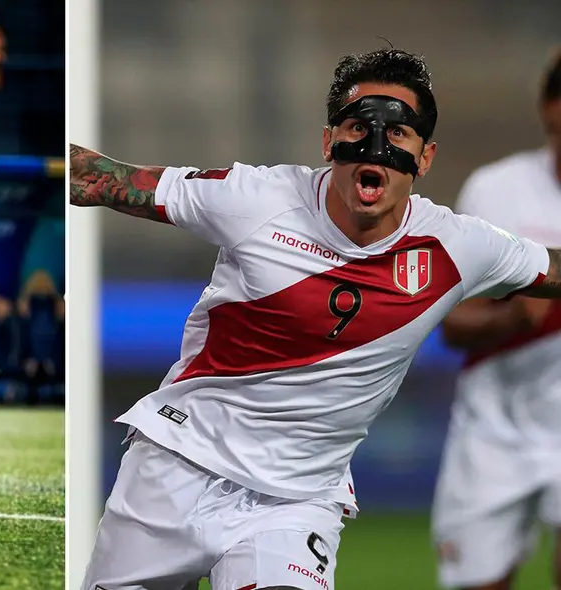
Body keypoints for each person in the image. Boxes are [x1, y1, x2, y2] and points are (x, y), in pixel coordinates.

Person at [71, 47, 561, 590]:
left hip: (295, 503)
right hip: (176, 465)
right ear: (329, 142)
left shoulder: (457, 247)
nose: (376, 146)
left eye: (398, 133)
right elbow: (98, 178)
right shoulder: (256, 199)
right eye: (359, 127)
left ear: (425, 157)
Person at [431, 49, 561, 590]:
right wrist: (513, 320)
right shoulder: (497, 190)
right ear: (547, 109)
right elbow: (451, 322)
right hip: (494, 430)